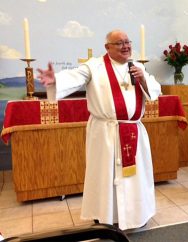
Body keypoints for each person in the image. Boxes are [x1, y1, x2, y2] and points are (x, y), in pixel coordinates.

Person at [37, 30, 161, 230]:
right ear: (107, 47)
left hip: (133, 131)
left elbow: (155, 91)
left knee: (136, 176)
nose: (125, 46)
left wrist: (143, 79)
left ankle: (137, 214)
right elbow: (75, 77)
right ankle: (104, 214)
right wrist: (55, 80)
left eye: (127, 42)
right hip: (106, 133)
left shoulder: (137, 67)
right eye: (119, 43)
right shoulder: (94, 66)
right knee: (104, 174)